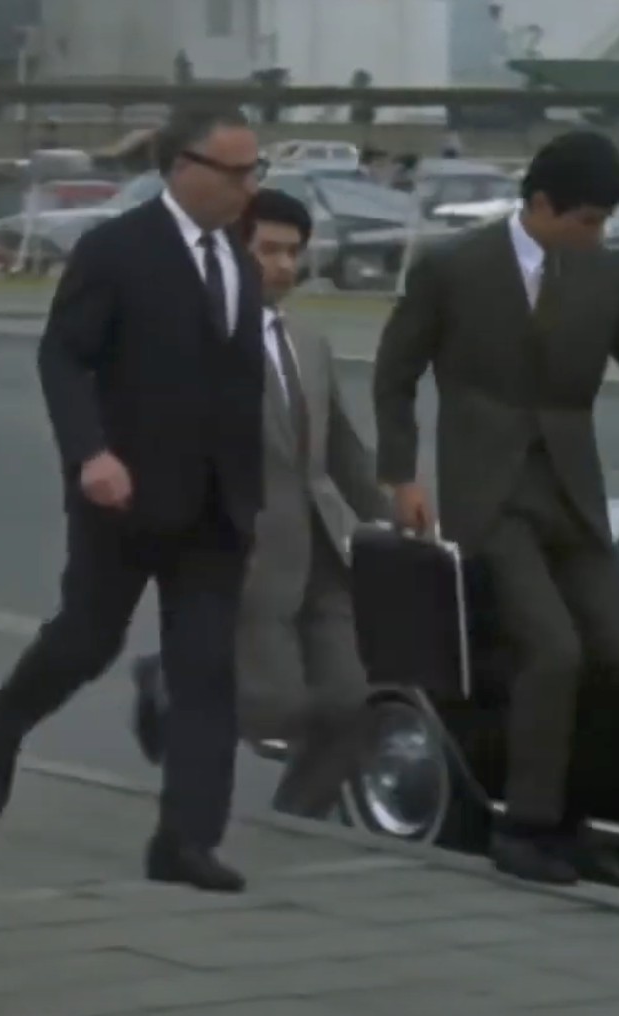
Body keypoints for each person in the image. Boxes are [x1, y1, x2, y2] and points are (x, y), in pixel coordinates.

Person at [373, 130, 619, 886]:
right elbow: (395, 373)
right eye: (588, 220)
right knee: (553, 651)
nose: (597, 235)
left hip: (572, 494)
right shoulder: (452, 268)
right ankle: (524, 826)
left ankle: (571, 817)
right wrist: (400, 475)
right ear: (540, 204)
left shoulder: (604, 278)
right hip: (490, 496)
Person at [0, 110, 266, 893]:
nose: (249, 187)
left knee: (206, 672)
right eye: (236, 172)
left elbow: (239, 387)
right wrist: (90, 453)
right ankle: (6, 721)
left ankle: (185, 841)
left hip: (217, 509)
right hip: (124, 494)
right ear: (181, 166)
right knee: (88, 640)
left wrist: (253, 493)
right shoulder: (116, 250)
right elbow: (63, 359)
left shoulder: (240, 260)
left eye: (255, 171)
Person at [130, 188, 389, 820]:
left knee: (353, 702)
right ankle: (169, 683)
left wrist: (395, 510)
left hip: (324, 551)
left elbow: (343, 451)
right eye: (268, 250)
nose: (283, 265)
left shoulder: (309, 342)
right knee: (275, 707)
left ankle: (298, 820)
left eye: (293, 252)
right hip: (245, 550)